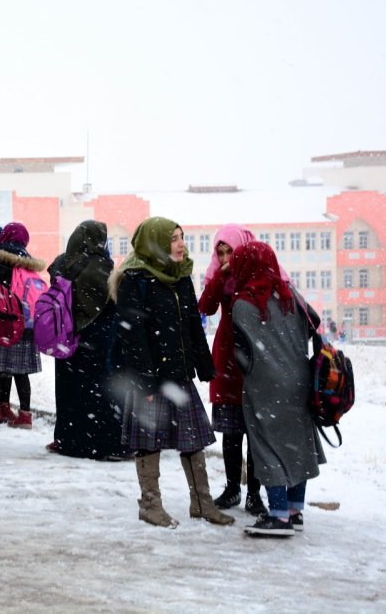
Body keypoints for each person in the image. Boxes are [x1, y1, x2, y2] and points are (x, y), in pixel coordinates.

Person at [114, 217, 233, 528]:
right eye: (174, 239)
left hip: (179, 374)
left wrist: (205, 366)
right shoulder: (134, 280)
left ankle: (202, 504)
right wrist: (146, 381)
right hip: (150, 377)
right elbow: (133, 334)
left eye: (182, 237)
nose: (181, 244)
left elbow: (193, 324)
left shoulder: (180, 277)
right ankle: (150, 505)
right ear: (155, 243)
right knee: (148, 440)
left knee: (192, 439)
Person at [229, 241, 327, 536]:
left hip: (264, 385)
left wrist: (259, 366)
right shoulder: (290, 295)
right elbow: (316, 322)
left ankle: (278, 515)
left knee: (266, 445)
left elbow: (240, 353)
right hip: (299, 380)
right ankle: (295, 511)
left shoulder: (243, 303)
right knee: (297, 443)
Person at [197, 224, 267, 516]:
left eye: (230, 251)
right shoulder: (220, 275)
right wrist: (219, 277)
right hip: (227, 352)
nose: (225, 256)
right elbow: (206, 306)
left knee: (254, 430)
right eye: (220, 251)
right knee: (231, 429)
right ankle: (231, 488)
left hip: (254, 353)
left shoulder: (257, 273)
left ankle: (254, 493)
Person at [45, 220, 128, 460]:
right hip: (98, 338)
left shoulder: (62, 263)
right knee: (100, 392)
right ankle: (105, 443)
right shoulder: (102, 267)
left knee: (69, 391)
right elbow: (113, 302)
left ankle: (70, 440)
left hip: (67, 335)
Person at [0, 222, 46, 429]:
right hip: (26, 326)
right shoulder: (28, 263)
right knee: (22, 373)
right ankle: (25, 416)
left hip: (3, 322)